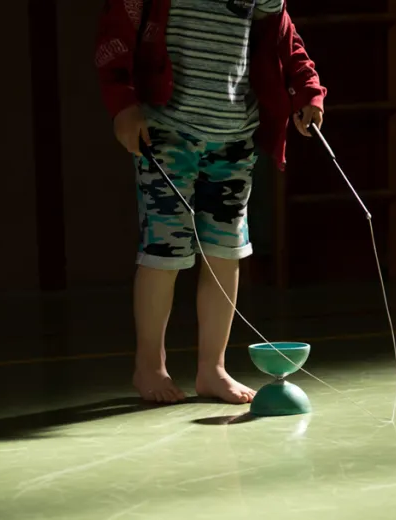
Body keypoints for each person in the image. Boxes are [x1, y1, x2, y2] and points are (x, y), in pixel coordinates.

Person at [95, 0, 326, 404]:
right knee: (164, 251)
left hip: (235, 138)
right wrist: (123, 106)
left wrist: (308, 92)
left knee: (225, 250)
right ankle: (150, 366)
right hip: (166, 132)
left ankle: (212, 369)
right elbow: (115, 36)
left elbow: (285, 39)